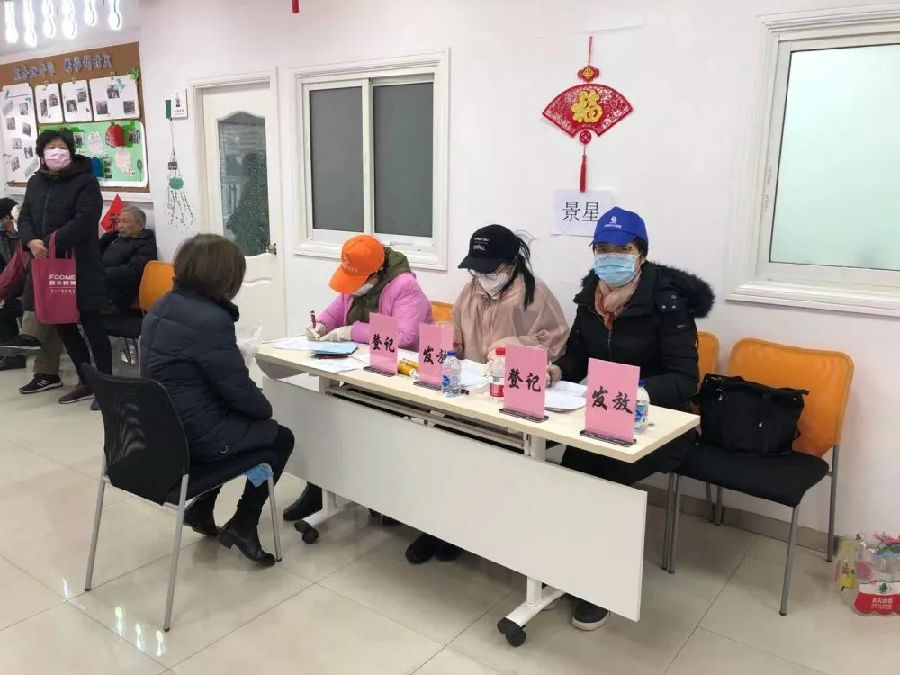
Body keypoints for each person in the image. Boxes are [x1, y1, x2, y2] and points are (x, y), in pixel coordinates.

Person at [547, 207, 714, 631]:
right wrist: (556, 371)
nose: (610, 257)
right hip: (601, 415)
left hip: (659, 425)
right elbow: (578, 356)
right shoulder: (590, 298)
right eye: (602, 248)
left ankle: (600, 587)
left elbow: (685, 380)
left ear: (641, 253)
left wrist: (636, 392)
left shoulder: (668, 304)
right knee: (570, 472)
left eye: (621, 249)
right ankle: (566, 566)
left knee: (606, 480)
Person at [405, 224, 571, 564]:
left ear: (511, 264)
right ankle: (435, 527)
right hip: (468, 395)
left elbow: (557, 342)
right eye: (476, 270)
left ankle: (463, 532)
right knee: (441, 450)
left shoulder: (535, 294)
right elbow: (455, 336)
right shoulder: (471, 291)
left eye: (490, 270)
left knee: (482, 462)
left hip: (509, 400)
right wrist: (444, 344)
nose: (482, 277)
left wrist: (514, 346)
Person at [141, 234, 294, 565]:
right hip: (193, 439)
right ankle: (243, 524)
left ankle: (203, 508)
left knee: (246, 428)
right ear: (225, 276)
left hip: (158, 432)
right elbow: (237, 389)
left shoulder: (163, 305)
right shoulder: (211, 319)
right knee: (279, 438)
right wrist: (264, 409)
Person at [282, 234, 433, 522]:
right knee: (329, 415)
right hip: (362, 373)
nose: (353, 287)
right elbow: (337, 309)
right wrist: (322, 325)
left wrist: (353, 331)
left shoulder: (405, 286)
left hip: (399, 378)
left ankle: (381, 495)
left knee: (360, 421)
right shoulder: (357, 284)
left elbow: (405, 336)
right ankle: (318, 489)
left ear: (376, 272)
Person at [13, 129, 110, 407]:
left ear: (70, 151)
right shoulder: (35, 182)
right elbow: (25, 216)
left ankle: (106, 386)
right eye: (51, 147)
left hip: (81, 265)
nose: (57, 151)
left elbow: (85, 220)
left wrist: (48, 243)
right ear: (42, 154)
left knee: (92, 325)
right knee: (63, 324)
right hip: (47, 265)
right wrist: (31, 241)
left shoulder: (86, 181)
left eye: (62, 146)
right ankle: (86, 380)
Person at [0, 198, 65, 386]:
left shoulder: (58, 239)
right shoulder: (25, 243)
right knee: (43, 312)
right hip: (34, 293)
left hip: (63, 291)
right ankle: (45, 373)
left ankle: (27, 343)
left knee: (43, 310)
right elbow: (12, 272)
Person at [99, 205, 157, 312]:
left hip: (118, 294)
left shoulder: (146, 244)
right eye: (119, 221)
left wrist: (100, 273)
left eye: (125, 221)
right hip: (99, 285)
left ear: (140, 225)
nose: (120, 225)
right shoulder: (114, 237)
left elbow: (133, 271)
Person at [0, 197, 24, 370]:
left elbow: (23, 271)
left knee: (4, 308)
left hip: (28, 290)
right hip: (9, 287)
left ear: (8, 218)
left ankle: (13, 357)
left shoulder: (25, 237)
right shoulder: (3, 238)